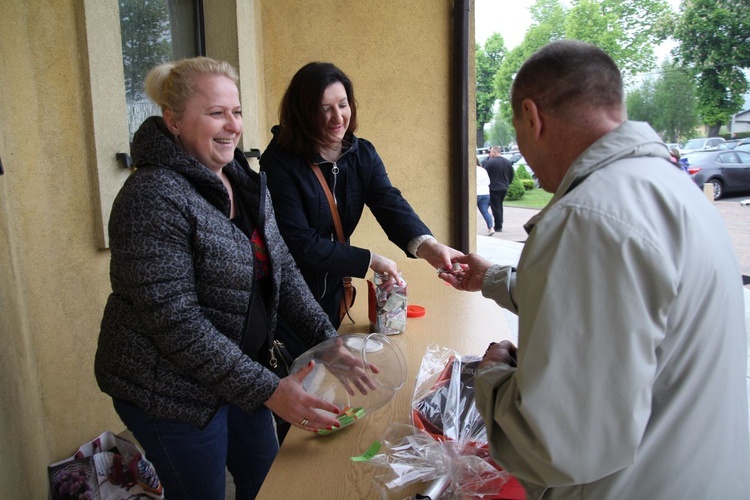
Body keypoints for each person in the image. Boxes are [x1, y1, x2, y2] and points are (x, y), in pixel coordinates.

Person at [440, 40, 749, 498]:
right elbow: (615, 308)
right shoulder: (671, 189)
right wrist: (491, 279)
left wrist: (490, 377)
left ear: (531, 116)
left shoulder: (586, 217)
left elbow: (553, 444)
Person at [94, 57, 371, 499]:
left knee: (266, 483)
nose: (232, 125)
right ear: (173, 121)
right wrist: (269, 389)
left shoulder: (241, 180)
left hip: (239, 375)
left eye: (237, 112)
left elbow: (284, 272)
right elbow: (175, 324)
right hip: (169, 391)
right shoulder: (150, 197)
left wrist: (328, 341)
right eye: (215, 113)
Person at [259, 62, 462, 329]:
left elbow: (389, 202)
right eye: (324, 109)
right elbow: (298, 241)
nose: (338, 117)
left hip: (333, 293)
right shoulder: (279, 163)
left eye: (343, 104)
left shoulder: (362, 154)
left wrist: (428, 247)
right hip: (290, 298)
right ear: (302, 113)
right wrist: (369, 260)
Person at [482, 146, 514, 232]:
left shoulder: (490, 163)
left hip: (494, 188)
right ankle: (500, 222)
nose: (490, 154)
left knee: (495, 207)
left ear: (495, 152)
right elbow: (511, 175)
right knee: (499, 205)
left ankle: (498, 226)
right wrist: (507, 183)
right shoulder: (507, 162)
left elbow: (484, 174)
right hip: (504, 187)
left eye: (491, 152)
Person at [476, 156, 494, 235]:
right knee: (485, 211)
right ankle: (491, 227)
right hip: (485, 193)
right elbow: (488, 182)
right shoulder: (483, 170)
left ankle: (471, 228)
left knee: (470, 212)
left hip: (475, 193)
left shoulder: (470, 170)